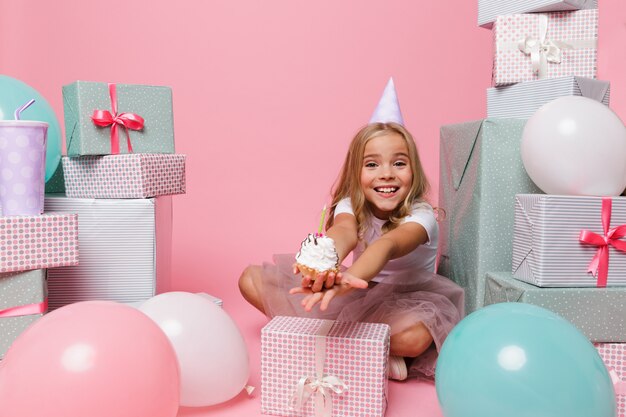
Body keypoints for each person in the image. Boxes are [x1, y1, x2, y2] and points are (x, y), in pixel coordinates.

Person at [238, 78, 464, 381]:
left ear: (414, 170)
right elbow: (342, 232)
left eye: (399, 163)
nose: (386, 174)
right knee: (251, 279)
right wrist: (324, 266)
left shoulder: (422, 215)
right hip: (358, 291)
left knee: (415, 337)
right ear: (357, 173)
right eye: (372, 165)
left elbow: (387, 246)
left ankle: (322, 342)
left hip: (409, 298)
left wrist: (354, 276)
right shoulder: (350, 205)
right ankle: (370, 351)